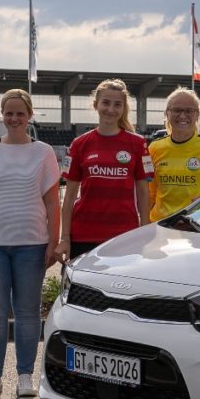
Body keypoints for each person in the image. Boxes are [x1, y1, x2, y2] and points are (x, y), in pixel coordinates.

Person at [0, 89, 62, 398]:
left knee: (28, 312)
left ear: (30, 115)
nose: (14, 118)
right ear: (2, 116)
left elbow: (52, 202)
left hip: (31, 245)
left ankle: (24, 376)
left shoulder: (43, 152)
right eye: (9, 113)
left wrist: (54, 241)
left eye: (20, 113)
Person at [57, 79, 152, 262]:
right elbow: (68, 198)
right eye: (106, 103)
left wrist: (144, 232)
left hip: (124, 236)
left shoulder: (138, 144)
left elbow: (143, 193)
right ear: (95, 105)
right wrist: (65, 238)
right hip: (84, 234)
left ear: (124, 108)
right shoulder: (79, 144)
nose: (111, 109)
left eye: (118, 104)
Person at [147, 87, 200, 222]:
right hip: (160, 227)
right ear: (167, 114)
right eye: (176, 110)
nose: (182, 116)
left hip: (196, 227)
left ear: (197, 114)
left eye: (189, 111)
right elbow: (149, 195)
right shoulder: (154, 148)